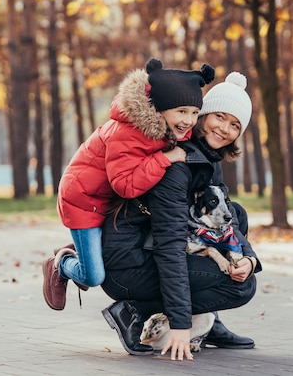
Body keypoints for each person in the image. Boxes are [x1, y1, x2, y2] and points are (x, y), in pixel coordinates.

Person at [99, 71, 261, 360]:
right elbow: (170, 243)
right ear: (203, 115)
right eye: (219, 117)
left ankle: (210, 322)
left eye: (235, 125)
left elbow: (230, 220)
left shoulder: (209, 157)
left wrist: (248, 258)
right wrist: (181, 326)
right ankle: (134, 311)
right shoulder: (178, 162)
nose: (225, 129)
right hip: (130, 265)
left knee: (235, 212)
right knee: (240, 288)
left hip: (154, 251)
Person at [42, 58, 215, 311]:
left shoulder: (168, 128)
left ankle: (86, 251)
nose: (189, 120)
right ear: (161, 108)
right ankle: (62, 263)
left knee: (103, 257)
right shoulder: (128, 132)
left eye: (194, 113)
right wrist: (164, 158)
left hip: (107, 200)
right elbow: (125, 185)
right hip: (83, 201)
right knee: (93, 276)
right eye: (181, 112)